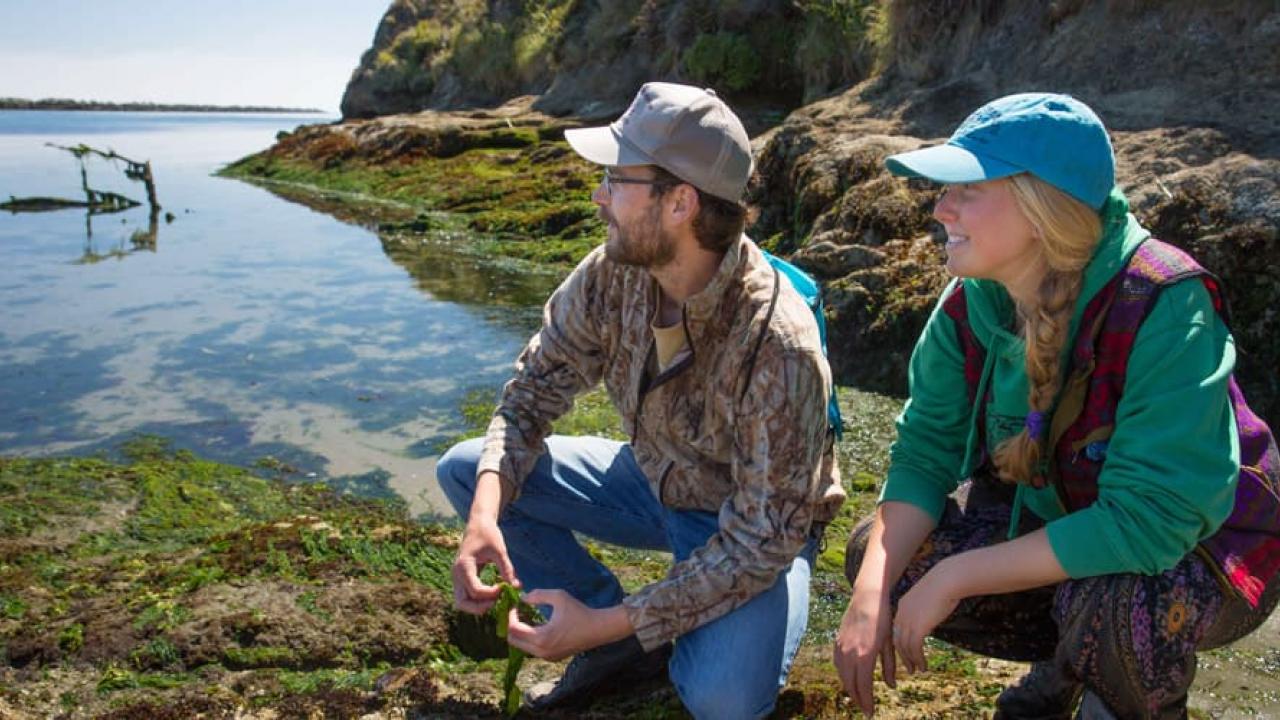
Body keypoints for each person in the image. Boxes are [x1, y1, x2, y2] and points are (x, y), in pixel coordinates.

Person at [833, 92, 1280, 719]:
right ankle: (1063, 667)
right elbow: (925, 453)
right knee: (879, 558)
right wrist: (870, 592)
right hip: (1068, 525)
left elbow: (1148, 523)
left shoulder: (1164, 303)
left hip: (1205, 552)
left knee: (1120, 609)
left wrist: (956, 578)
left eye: (966, 188)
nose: (940, 208)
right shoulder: (970, 303)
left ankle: (1116, 692)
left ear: (1040, 208)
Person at [436, 81, 844, 719]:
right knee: (468, 471)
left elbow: (761, 541)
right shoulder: (611, 274)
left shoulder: (779, 344)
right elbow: (530, 395)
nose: (598, 195)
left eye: (614, 178)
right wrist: (484, 517)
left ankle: (617, 632)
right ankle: (616, 638)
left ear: (680, 202)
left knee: (725, 702)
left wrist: (610, 622)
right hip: (653, 481)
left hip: (750, 525)